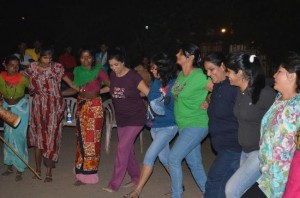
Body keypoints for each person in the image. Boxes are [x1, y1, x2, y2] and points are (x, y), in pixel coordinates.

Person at [123, 53, 178, 198]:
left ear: (163, 68)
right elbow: (150, 96)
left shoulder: (175, 84)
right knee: (165, 159)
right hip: (154, 126)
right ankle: (178, 185)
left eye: (154, 68)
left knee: (149, 157)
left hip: (169, 126)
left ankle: (137, 191)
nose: (151, 70)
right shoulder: (155, 82)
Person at [224, 52, 276, 198]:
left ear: (239, 72)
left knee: (232, 190)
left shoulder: (265, 94)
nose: (227, 75)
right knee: (246, 192)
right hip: (245, 151)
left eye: (228, 71)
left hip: (259, 153)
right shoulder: (240, 92)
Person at [24, 47, 78, 183]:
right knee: (37, 137)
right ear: (39, 57)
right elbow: (22, 79)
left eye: (50, 58)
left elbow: (69, 82)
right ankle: (37, 169)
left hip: (54, 107)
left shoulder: (57, 68)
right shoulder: (32, 67)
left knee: (51, 137)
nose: (48, 60)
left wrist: (79, 89)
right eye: (45, 57)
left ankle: (48, 171)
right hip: (37, 106)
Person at [103, 48, 149, 193]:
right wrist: (95, 90)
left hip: (136, 117)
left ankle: (114, 184)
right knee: (128, 150)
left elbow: (147, 92)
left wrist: (135, 95)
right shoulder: (113, 74)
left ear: (123, 62)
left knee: (122, 148)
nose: (113, 68)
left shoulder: (133, 76)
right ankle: (136, 177)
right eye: (111, 65)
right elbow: (112, 88)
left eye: (116, 65)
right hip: (122, 117)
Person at [169, 43, 212, 198]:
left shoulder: (200, 75)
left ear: (190, 57)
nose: (177, 56)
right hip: (183, 124)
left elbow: (219, 87)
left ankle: (176, 195)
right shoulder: (181, 75)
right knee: (194, 163)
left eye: (180, 53)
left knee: (173, 158)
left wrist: (209, 99)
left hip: (197, 123)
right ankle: (209, 193)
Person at [63, 48, 110, 185]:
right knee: (81, 139)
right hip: (81, 105)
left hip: (94, 107)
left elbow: (111, 85)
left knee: (92, 140)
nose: (85, 60)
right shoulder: (77, 71)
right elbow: (75, 88)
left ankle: (89, 173)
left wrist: (98, 91)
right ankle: (80, 168)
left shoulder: (99, 70)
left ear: (92, 58)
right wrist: (59, 93)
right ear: (79, 59)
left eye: (88, 57)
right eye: (82, 57)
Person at [258, 52, 300, 198]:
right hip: (269, 174)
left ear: (292, 76)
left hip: (287, 178)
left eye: (279, 71)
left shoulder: (298, 107)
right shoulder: (278, 99)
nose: (274, 75)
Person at [203, 52, 241, 198]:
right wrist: (208, 101)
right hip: (222, 147)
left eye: (211, 69)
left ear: (223, 66)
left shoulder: (233, 88)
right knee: (224, 186)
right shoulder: (218, 86)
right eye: (206, 70)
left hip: (233, 147)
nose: (208, 73)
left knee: (214, 183)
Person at [0, 55, 29, 181]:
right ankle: (9, 165)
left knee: (19, 138)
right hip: (6, 108)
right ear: (5, 66)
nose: (15, 68)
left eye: (17, 65)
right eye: (11, 65)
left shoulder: (23, 78)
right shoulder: (1, 77)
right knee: (8, 136)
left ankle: (20, 167)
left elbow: (33, 89)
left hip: (21, 109)